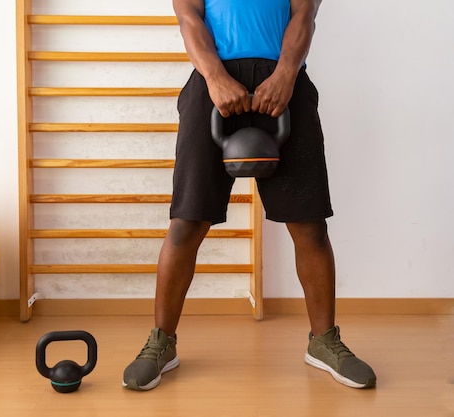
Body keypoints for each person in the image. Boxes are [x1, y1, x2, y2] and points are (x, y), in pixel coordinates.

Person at [122, 0, 376, 390]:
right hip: (212, 87)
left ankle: (324, 341)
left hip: (285, 86)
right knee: (186, 222)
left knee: (309, 225)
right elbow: (188, 16)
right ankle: (162, 342)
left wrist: (287, 73)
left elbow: (303, 14)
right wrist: (214, 76)